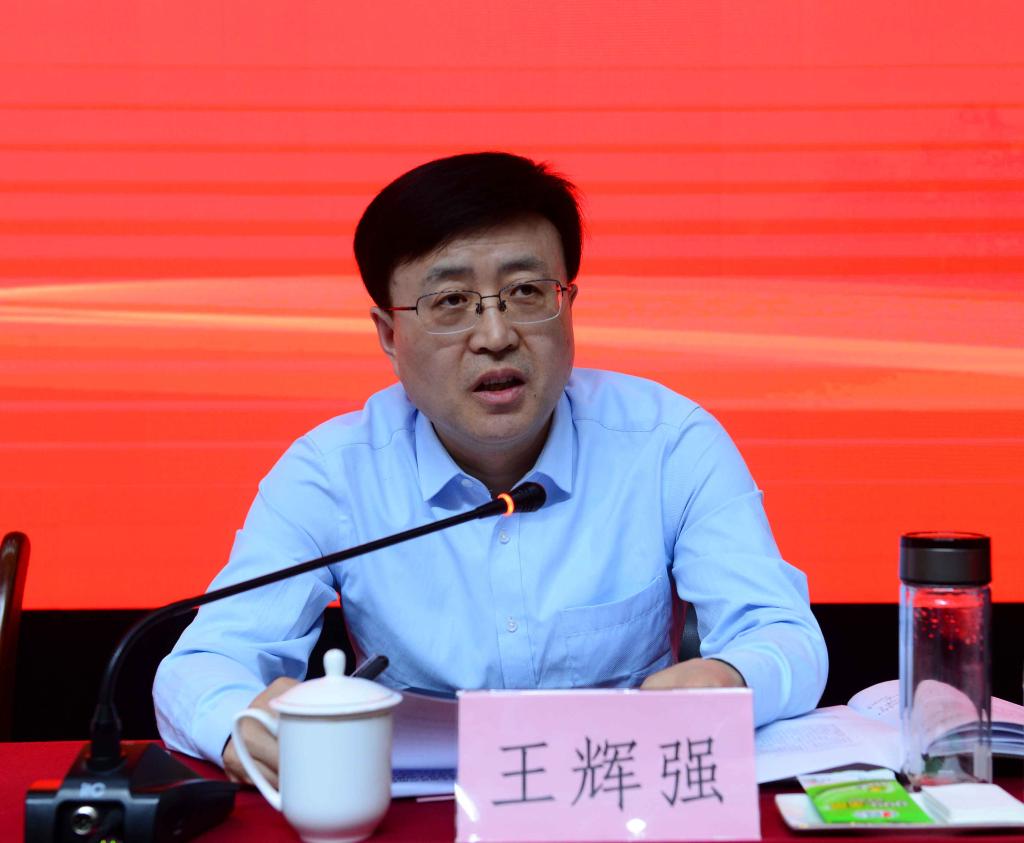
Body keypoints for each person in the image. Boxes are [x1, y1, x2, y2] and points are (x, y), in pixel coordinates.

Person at [154, 152, 828, 786]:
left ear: (568, 304)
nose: (496, 336)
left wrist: (729, 676)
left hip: (621, 796)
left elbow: (784, 635)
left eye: (526, 292)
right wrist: (243, 729)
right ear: (389, 333)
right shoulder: (332, 474)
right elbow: (204, 665)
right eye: (450, 302)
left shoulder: (668, 443)